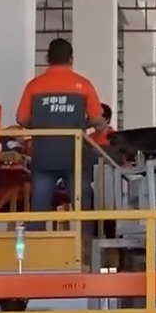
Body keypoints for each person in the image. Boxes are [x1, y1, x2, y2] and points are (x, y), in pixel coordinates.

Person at [16, 38, 108, 228]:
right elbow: (99, 120)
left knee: (39, 207)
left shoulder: (34, 86)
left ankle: (36, 242)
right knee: (82, 208)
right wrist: (82, 124)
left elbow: (21, 119)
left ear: (47, 58)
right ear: (71, 59)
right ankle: (86, 242)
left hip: (44, 155)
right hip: (74, 156)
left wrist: (41, 125)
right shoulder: (83, 85)